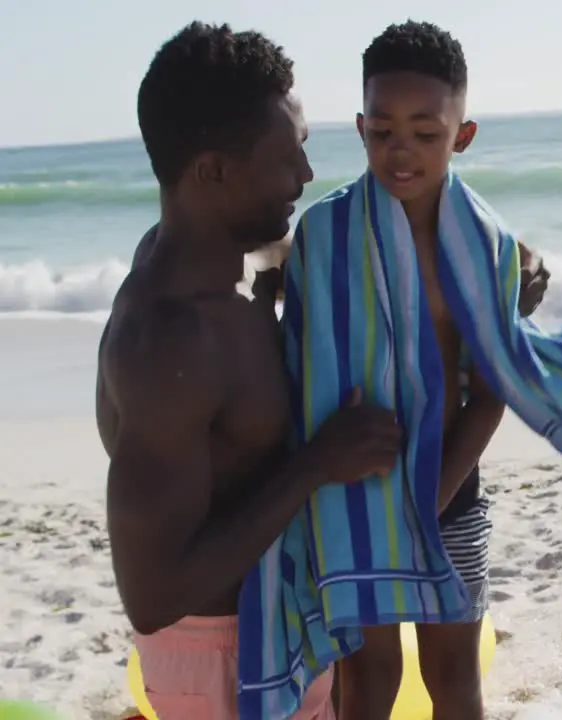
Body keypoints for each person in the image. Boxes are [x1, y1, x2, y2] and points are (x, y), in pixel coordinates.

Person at [97, 22, 404, 720]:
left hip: (262, 634)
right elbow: (151, 590)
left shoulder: (206, 270)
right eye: (288, 155)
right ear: (213, 172)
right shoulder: (171, 339)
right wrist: (315, 463)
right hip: (220, 664)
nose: (303, 175)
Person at [326, 20, 549, 720]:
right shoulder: (327, 234)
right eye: (382, 130)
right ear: (358, 125)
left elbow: (490, 392)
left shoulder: (483, 247)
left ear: (464, 134)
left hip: (447, 495)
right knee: (367, 681)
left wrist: (426, 502)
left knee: (453, 677)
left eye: (426, 133)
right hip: (352, 500)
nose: (401, 151)